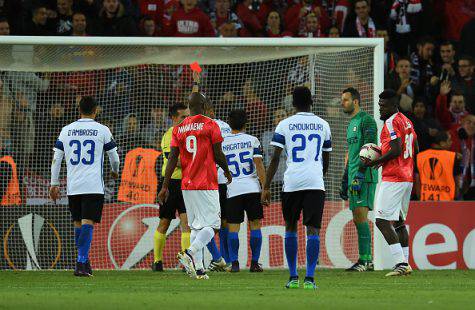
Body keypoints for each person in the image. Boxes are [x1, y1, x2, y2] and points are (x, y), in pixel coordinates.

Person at [157, 71, 232, 280]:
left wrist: (164, 186)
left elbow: (172, 159)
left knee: (197, 226)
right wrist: (226, 170)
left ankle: (199, 270)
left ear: (190, 107)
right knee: (213, 226)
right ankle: (189, 252)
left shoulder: (179, 128)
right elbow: (218, 154)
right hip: (207, 182)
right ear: (206, 107)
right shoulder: (210, 124)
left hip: (186, 183)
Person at [262, 86, 332, 290]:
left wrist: (266, 186)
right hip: (315, 183)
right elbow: (326, 158)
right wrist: (317, 175)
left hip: (291, 182)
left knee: (290, 226)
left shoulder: (284, 124)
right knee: (313, 229)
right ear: (312, 102)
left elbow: (275, 158)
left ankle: (293, 277)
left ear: (292, 104)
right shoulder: (323, 124)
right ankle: (310, 279)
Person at [49, 96, 120, 277]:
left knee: (78, 223)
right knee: (88, 223)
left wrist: (54, 183)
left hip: (74, 186)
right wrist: (114, 171)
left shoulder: (66, 130)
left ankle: (84, 261)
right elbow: (115, 157)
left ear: (78, 109)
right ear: (95, 110)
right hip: (93, 185)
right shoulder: (102, 130)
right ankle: (81, 263)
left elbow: (56, 160)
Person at [365, 89, 418, 277]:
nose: (380, 108)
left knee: (381, 220)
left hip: (394, 178)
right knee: (399, 222)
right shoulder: (407, 121)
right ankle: (406, 263)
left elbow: (396, 150)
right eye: (379, 104)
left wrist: (376, 161)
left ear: (394, 104)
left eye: (383, 105)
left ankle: (400, 263)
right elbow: (415, 147)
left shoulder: (391, 121)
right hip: (407, 177)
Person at [221, 109, 266, 273]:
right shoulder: (252, 140)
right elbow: (259, 165)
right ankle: (254, 263)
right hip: (252, 188)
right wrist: (265, 188)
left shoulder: (222, 143)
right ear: (246, 123)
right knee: (255, 225)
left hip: (233, 189)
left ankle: (234, 263)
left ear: (229, 123)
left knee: (233, 228)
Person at [340, 87, 377, 272]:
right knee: (357, 218)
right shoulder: (351, 123)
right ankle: (365, 260)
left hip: (365, 176)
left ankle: (366, 260)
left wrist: (360, 175)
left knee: (361, 217)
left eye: (346, 100)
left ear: (356, 101)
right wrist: (346, 177)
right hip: (354, 176)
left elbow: (371, 148)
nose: (342, 103)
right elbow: (351, 154)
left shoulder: (366, 120)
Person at [152, 103, 191, 272]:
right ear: (174, 118)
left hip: (187, 184)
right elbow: (175, 161)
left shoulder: (190, 134)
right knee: (164, 222)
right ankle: (157, 261)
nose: (186, 119)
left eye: (188, 116)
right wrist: (196, 161)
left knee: (187, 223)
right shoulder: (169, 136)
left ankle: (186, 261)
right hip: (170, 184)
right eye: (183, 117)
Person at [205, 103, 231, 272]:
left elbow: (214, 151)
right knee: (224, 221)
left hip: (209, 179)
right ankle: (226, 260)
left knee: (205, 222)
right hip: (225, 180)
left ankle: (217, 259)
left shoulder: (204, 127)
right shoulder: (226, 126)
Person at [416, 131, 461, 201]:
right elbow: (457, 181)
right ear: (442, 143)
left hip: (425, 201)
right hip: (447, 202)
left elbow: (417, 180)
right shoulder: (453, 157)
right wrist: (456, 196)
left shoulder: (420, 156)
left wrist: (419, 197)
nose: (451, 142)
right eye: (449, 140)